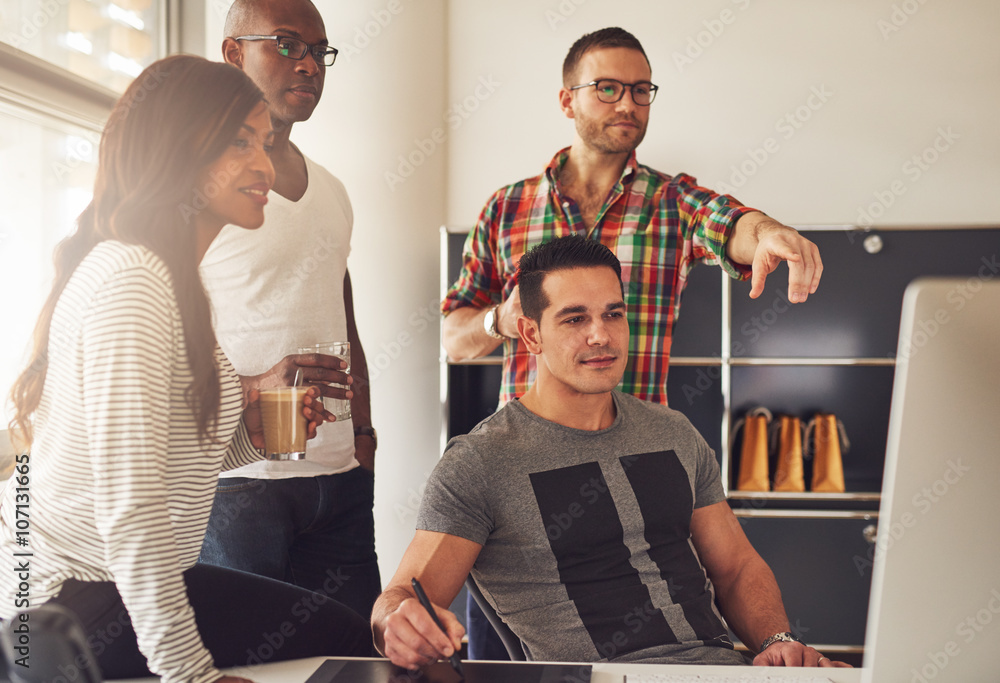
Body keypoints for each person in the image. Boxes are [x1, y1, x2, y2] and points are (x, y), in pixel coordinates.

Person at [441, 26, 822, 657]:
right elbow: (454, 339)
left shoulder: (672, 202)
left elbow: (733, 224)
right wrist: (503, 320)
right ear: (567, 100)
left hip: (639, 468)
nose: (628, 104)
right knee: (509, 661)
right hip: (526, 482)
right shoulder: (505, 210)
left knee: (662, 640)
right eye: (609, 88)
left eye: (641, 90)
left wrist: (771, 232)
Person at [0, 55, 371, 682]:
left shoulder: (171, 280)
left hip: (115, 581)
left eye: (263, 141)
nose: (262, 164)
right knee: (344, 641)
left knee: (341, 636)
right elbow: (131, 509)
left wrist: (252, 434)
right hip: (71, 601)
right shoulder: (134, 281)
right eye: (238, 142)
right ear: (179, 152)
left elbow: (170, 463)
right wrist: (190, 676)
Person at [374, 236, 849, 669]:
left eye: (613, 314)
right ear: (532, 334)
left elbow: (735, 567)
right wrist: (396, 623)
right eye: (575, 318)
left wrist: (778, 643)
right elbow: (402, 595)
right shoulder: (479, 463)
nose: (600, 335)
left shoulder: (672, 432)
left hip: (721, 671)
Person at [198, 0, 381, 621]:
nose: (308, 64)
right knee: (245, 659)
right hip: (238, 487)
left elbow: (343, 313)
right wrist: (253, 385)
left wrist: (363, 435)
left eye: (318, 50)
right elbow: (168, 329)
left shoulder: (332, 190)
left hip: (339, 479)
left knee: (353, 654)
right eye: (286, 44)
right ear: (233, 54)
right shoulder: (202, 186)